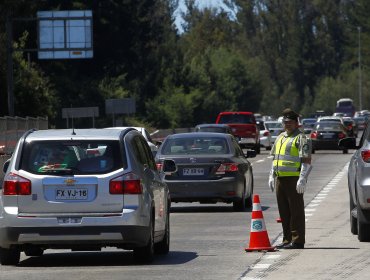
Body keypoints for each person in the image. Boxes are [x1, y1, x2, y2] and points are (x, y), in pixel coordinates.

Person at [268, 108, 312, 249]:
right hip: (280, 179)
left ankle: (298, 240)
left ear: (296, 123)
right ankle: (287, 239)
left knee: (296, 211)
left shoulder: (301, 138)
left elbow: (306, 160)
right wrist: (271, 175)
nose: (287, 124)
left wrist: (302, 178)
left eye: (290, 122)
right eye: (285, 122)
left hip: (294, 179)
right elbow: (275, 158)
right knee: (284, 211)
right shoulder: (281, 137)